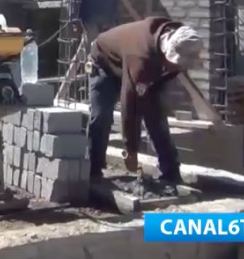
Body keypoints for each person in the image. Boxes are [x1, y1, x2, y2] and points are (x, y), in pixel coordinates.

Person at [86, 17, 204, 185]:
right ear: (167, 52)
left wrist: (154, 105)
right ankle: (93, 172)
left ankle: (170, 173)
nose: (178, 68)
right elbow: (130, 105)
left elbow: (151, 99)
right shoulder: (141, 56)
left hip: (140, 68)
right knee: (102, 115)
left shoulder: (182, 41)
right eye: (176, 63)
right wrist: (131, 150)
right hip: (104, 64)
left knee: (157, 117)